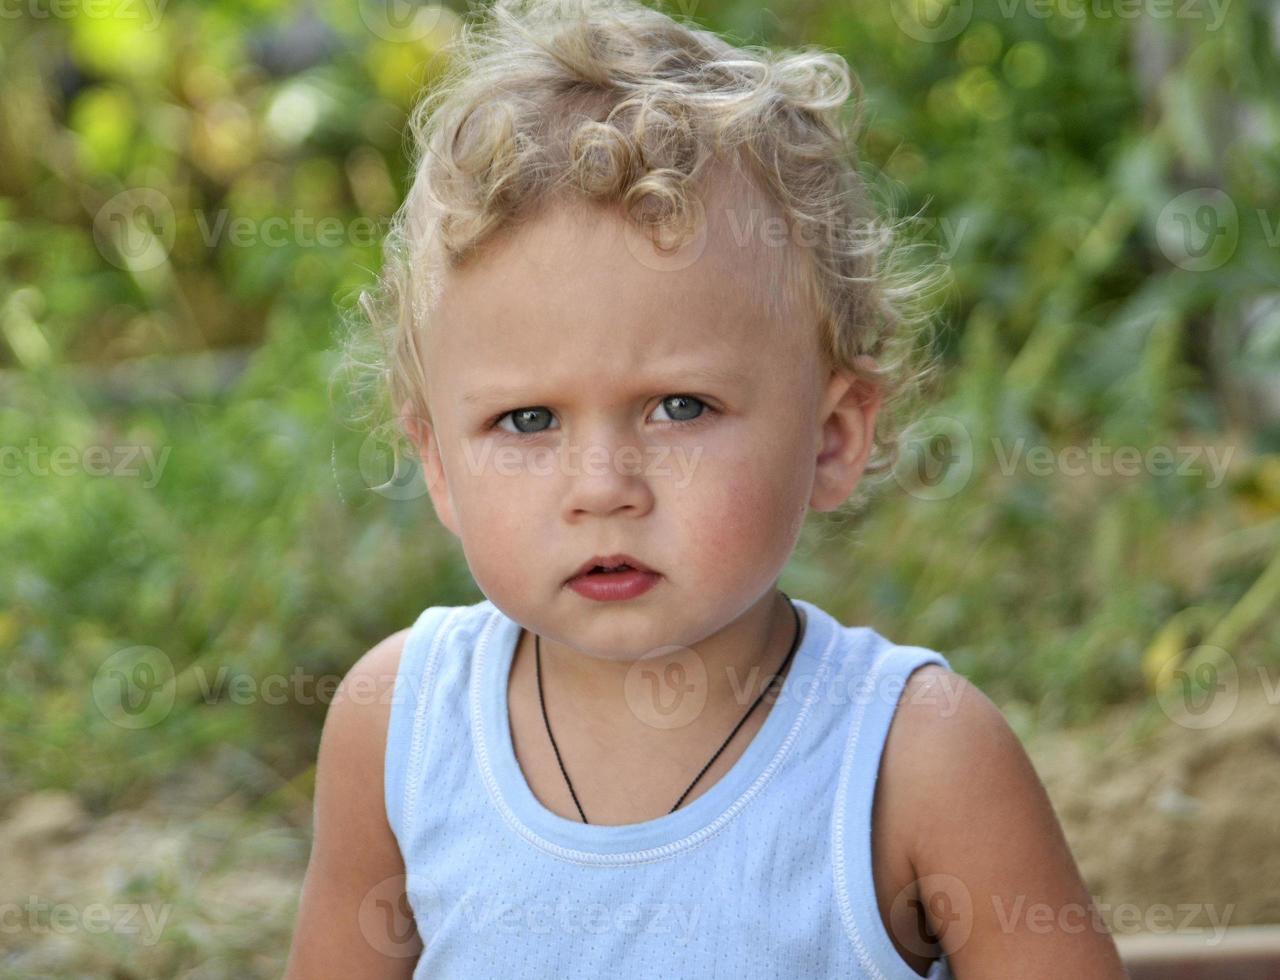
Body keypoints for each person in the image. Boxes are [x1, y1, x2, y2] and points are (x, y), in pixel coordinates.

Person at [284, 0, 1128, 976]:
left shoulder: (914, 757)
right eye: (526, 421)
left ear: (830, 436)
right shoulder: (398, 722)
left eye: (677, 406)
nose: (601, 487)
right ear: (436, 460)